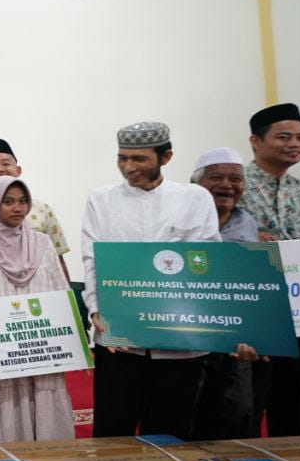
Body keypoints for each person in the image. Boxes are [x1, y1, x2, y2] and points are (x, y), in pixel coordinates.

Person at [82, 122, 219, 440]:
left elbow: (206, 262)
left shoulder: (194, 198)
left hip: (179, 343)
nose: (129, 167)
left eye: (139, 159)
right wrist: (97, 310)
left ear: (165, 157)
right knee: (112, 435)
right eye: (122, 158)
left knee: (170, 437)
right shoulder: (101, 200)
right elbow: (93, 260)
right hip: (119, 341)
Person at [241, 103, 300, 436]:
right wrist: (246, 238)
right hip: (250, 310)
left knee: (298, 400)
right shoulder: (231, 182)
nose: (295, 144)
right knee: (245, 404)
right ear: (256, 141)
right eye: (283, 137)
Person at [0, 176, 74, 444]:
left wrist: (73, 338)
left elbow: (60, 290)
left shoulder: (43, 242)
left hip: (42, 345)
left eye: (22, 201)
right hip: (2, 349)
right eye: (8, 202)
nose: (17, 208)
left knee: (45, 391)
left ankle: (50, 460)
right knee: (5, 400)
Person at [187, 147, 263, 440]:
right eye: (216, 177)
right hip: (187, 339)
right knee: (185, 420)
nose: (227, 185)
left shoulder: (248, 224)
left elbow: (255, 286)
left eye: (236, 179)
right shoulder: (180, 218)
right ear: (196, 184)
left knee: (236, 418)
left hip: (234, 341)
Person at [0, 138, 71, 281]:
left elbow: (57, 259)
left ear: (18, 170)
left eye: (6, 163)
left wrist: (66, 291)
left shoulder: (43, 210)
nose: (0, 169)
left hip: (39, 288)